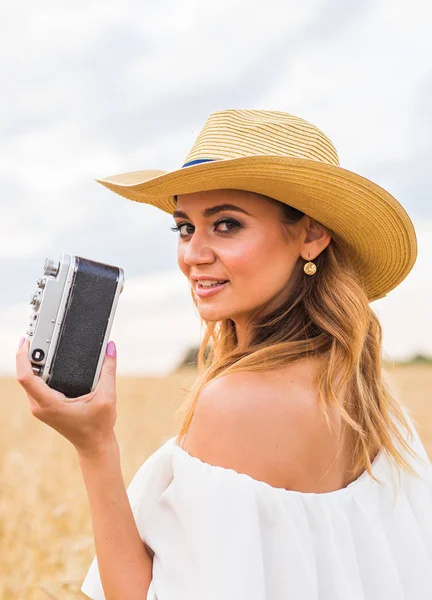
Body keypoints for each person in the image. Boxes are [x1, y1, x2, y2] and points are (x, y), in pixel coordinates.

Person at [16, 109, 432, 599]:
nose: (193, 253)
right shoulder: (369, 395)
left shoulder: (234, 405)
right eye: (184, 228)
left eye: (227, 224)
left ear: (312, 235)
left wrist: (95, 446)